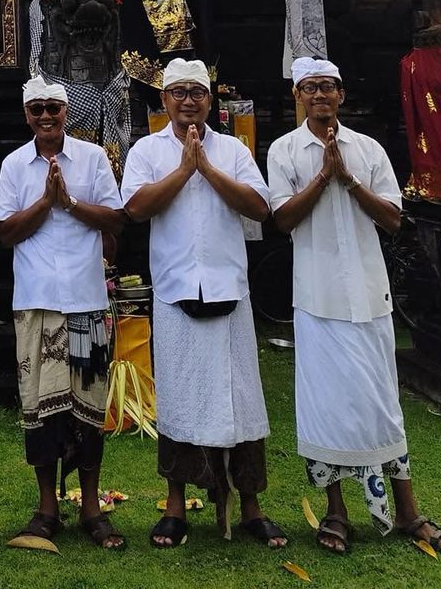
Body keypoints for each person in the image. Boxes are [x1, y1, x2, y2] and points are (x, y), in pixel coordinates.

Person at [267, 56, 441, 557]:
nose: (320, 95)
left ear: (342, 95)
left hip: (371, 298)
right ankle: (336, 511)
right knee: (325, 406)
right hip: (317, 299)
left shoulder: (368, 149)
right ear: (298, 97)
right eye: (309, 88)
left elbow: (393, 219)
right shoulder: (285, 151)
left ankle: (408, 511)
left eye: (328, 87)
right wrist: (322, 178)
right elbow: (283, 220)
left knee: (383, 404)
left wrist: (349, 180)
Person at [121, 57, 286, 550]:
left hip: (228, 293)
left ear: (209, 102)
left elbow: (260, 208)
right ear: (164, 100)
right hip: (176, 293)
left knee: (243, 403)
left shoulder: (232, 149)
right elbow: (135, 208)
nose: (188, 101)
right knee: (178, 400)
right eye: (179, 93)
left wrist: (206, 167)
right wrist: (183, 169)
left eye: (197, 93)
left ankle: (251, 504)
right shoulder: (147, 150)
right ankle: (175, 505)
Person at [0, 76, 127, 551]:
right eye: (37, 110)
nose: (46, 116)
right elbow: (6, 232)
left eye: (54, 108)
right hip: (35, 303)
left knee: (89, 409)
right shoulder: (14, 164)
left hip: (86, 301)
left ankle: (91, 506)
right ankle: (47, 506)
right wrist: (47, 203)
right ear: (27, 115)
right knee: (39, 410)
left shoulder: (92, 158)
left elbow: (116, 219)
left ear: (66, 113)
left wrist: (70, 202)